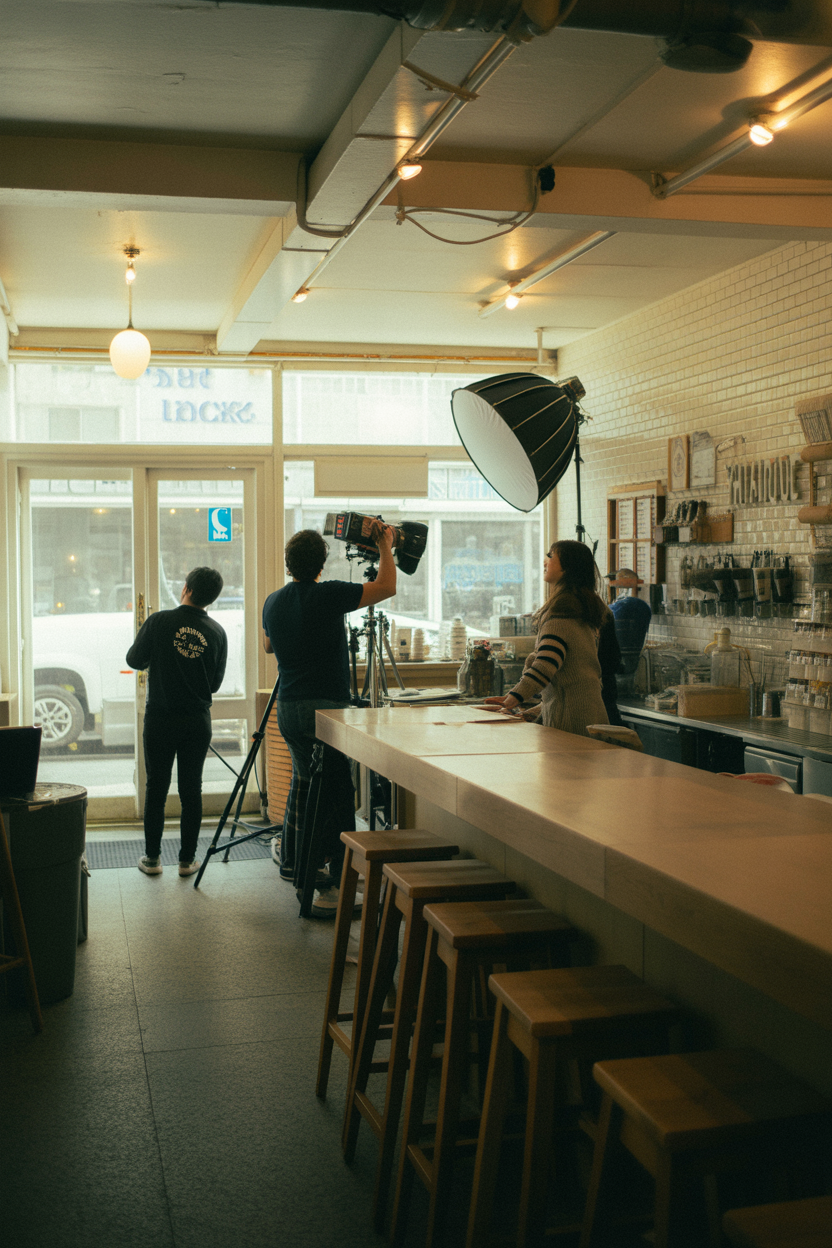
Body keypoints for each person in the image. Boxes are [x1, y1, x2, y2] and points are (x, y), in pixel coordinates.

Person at [262, 523, 396, 919]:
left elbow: (269, 645)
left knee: (305, 786)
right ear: (322, 563)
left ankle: (298, 863)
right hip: (327, 712)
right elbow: (386, 588)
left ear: (289, 564)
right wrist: (385, 545)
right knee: (337, 793)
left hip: (289, 708)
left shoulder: (273, 601)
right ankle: (334, 884)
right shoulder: (329, 594)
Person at [126, 566, 228, 877]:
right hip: (197, 721)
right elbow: (215, 684)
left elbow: (133, 659)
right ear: (211, 598)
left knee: (156, 787)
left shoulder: (159, 621)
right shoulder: (217, 632)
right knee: (191, 789)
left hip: (161, 718)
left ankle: (153, 859)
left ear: (186, 589)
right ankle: (186, 861)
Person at [485, 540, 608, 734]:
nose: (545, 562)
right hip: (587, 716)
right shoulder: (576, 611)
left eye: (550, 556)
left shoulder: (561, 618)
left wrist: (512, 698)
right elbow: (566, 686)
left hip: (572, 725)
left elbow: (545, 665)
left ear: (567, 569)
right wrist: (530, 713)